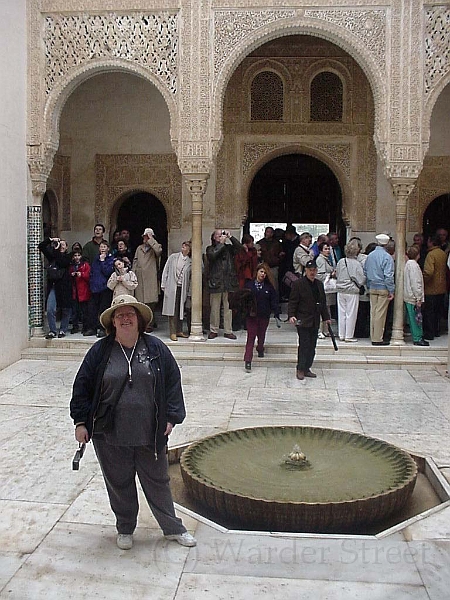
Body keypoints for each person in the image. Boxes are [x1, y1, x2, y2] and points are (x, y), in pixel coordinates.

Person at [70, 294, 197, 551]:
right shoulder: (100, 351)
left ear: (139, 320)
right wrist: (81, 422)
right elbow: (82, 387)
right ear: (113, 322)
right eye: (120, 315)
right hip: (109, 435)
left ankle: (173, 528)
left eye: (130, 314)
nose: (125, 318)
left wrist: (172, 417)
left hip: (149, 432)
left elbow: (172, 381)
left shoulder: (156, 349)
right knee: (119, 483)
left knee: (158, 481)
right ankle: (125, 528)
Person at [288, 259, 330, 380]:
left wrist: (326, 317)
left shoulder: (319, 284)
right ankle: (300, 368)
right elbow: (293, 301)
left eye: (314, 270)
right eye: (310, 270)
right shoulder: (298, 284)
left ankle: (307, 368)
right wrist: (291, 315)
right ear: (306, 271)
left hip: (314, 320)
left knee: (312, 346)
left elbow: (322, 302)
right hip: (303, 319)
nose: (312, 272)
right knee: (304, 345)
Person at [206, 229, 242, 339]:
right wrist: (221, 244)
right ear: (214, 237)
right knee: (215, 308)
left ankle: (228, 330)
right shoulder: (210, 248)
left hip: (229, 282)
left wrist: (231, 237)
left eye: (222, 234)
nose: (221, 236)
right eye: (218, 235)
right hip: (216, 282)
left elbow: (240, 249)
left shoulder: (229, 249)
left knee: (228, 308)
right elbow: (212, 256)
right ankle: (214, 330)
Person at [243, 263, 280, 372]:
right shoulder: (249, 285)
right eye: (261, 272)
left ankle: (260, 348)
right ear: (257, 272)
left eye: (264, 272)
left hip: (264, 315)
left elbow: (274, 301)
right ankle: (248, 360)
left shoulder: (269, 287)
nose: (263, 274)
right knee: (251, 337)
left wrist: (276, 312)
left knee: (261, 335)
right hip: (252, 316)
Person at [363, 233, 395, 346]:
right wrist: (391, 290)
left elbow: (365, 272)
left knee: (373, 312)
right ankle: (377, 338)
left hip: (372, 287)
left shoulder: (370, 255)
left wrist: (368, 286)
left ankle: (373, 335)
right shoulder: (387, 257)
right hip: (383, 287)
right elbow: (388, 276)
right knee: (380, 314)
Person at [38, 236, 72, 339]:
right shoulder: (52, 256)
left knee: (66, 309)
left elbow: (62, 262)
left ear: (66, 248)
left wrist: (56, 250)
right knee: (50, 308)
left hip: (65, 287)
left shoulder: (68, 257)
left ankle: (63, 329)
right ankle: (52, 330)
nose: (60, 246)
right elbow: (41, 246)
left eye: (63, 245)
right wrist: (51, 240)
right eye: (59, 244)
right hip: (54, 286)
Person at [335, 239, 366, 342]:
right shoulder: (357, 264)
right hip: (352, 291)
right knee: (351, 314)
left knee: (341, 313)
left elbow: (337, 274)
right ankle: (349, 335)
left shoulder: (341, 261)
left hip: (340, 290)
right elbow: (361, 280)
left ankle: (341, 334)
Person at [161, 241, 192, 341]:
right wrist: (163, 284)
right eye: (183, 246)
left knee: (180, 309)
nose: (184, 248)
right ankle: (172, 332)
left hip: (182, 287)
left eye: (186, 247)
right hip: (172, 286)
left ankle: (179, 330)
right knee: (172, 310)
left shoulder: (190, 261)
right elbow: (166, 270)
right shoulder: (173, 257)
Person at [133, 228, 162, 330]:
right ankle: (142, 324)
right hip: (140, 278)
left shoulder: (155, 247)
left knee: (151, 302)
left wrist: (151, 240)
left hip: (151, 278)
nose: (145, 238)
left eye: (147, 236)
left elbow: (158, 251)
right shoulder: (139, 248)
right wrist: (134, 273)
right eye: (145, 236)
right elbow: (135, 261)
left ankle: (150, 323)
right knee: (140, 302)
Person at [85, 241, 114, 337]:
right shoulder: (95, 259)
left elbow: (107, 271)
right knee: (92, 309)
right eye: (101, 247)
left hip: (105, 288)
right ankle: (92, 328)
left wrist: (103, 261)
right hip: (94, 288)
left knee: (103, 309)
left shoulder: (111, 259)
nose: (102, 248)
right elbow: (92, 271)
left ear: (108, 248)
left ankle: (103, 328)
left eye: (104, 246)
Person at [422, 234, 447, 340]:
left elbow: (429, 271)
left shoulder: (431, 254)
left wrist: (422, 280)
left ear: (431, 242)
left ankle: (429, 333)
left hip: (431, 288)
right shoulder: (442, 253)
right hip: (441, 287)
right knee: (437, 311)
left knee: (429, 312)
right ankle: (436, 331)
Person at [404, 245, 429, 346]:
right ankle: (417, 337)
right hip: (413, 297)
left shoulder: (408, 264)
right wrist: (419, 298)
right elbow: (416, 283)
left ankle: (417, 336)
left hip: (409, 295)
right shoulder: (414, 266)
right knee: (416, 319)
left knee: (413, 318)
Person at [315, 241, 336, 338]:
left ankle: (326, 330)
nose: (327, 251)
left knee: (327, 310)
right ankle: (319, 330)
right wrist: (330, 275)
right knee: (321, 309)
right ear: (321, 250)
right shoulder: (320, 260)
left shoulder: (327, 259)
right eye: (325, 249)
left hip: (327, 289)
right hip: (322, 288)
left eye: (328, 249)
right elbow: (319, 275)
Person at [69, 250, 91, 334]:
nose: (77, 257)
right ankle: (75, 327)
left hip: (83, 291)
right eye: (75, 255)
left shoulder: (85, 265)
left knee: (84, 311)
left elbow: (89, 275)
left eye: (78, 255)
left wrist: (81, 274)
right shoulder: (71, 266)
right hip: (75, 291)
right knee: (75, 311)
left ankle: (85, 327)